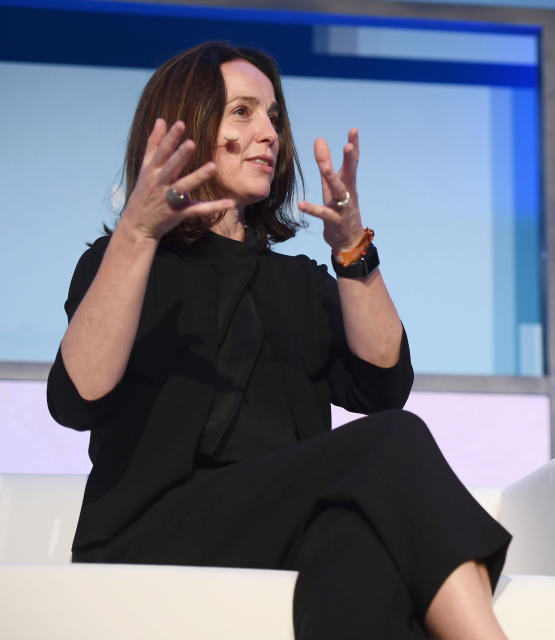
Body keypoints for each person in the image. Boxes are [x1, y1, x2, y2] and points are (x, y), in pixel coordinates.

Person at [46, 41, 511, 639]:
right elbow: (75, 399)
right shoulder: (123, 263)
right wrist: (137, 233)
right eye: (243, 112)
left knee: (357, 543)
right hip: (150, 528)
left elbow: (382, 382)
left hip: (281, 523)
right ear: (189, 127)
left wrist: (351, 246)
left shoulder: (298, 283)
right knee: (396, 443)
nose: (270, 132)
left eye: (273, 116)